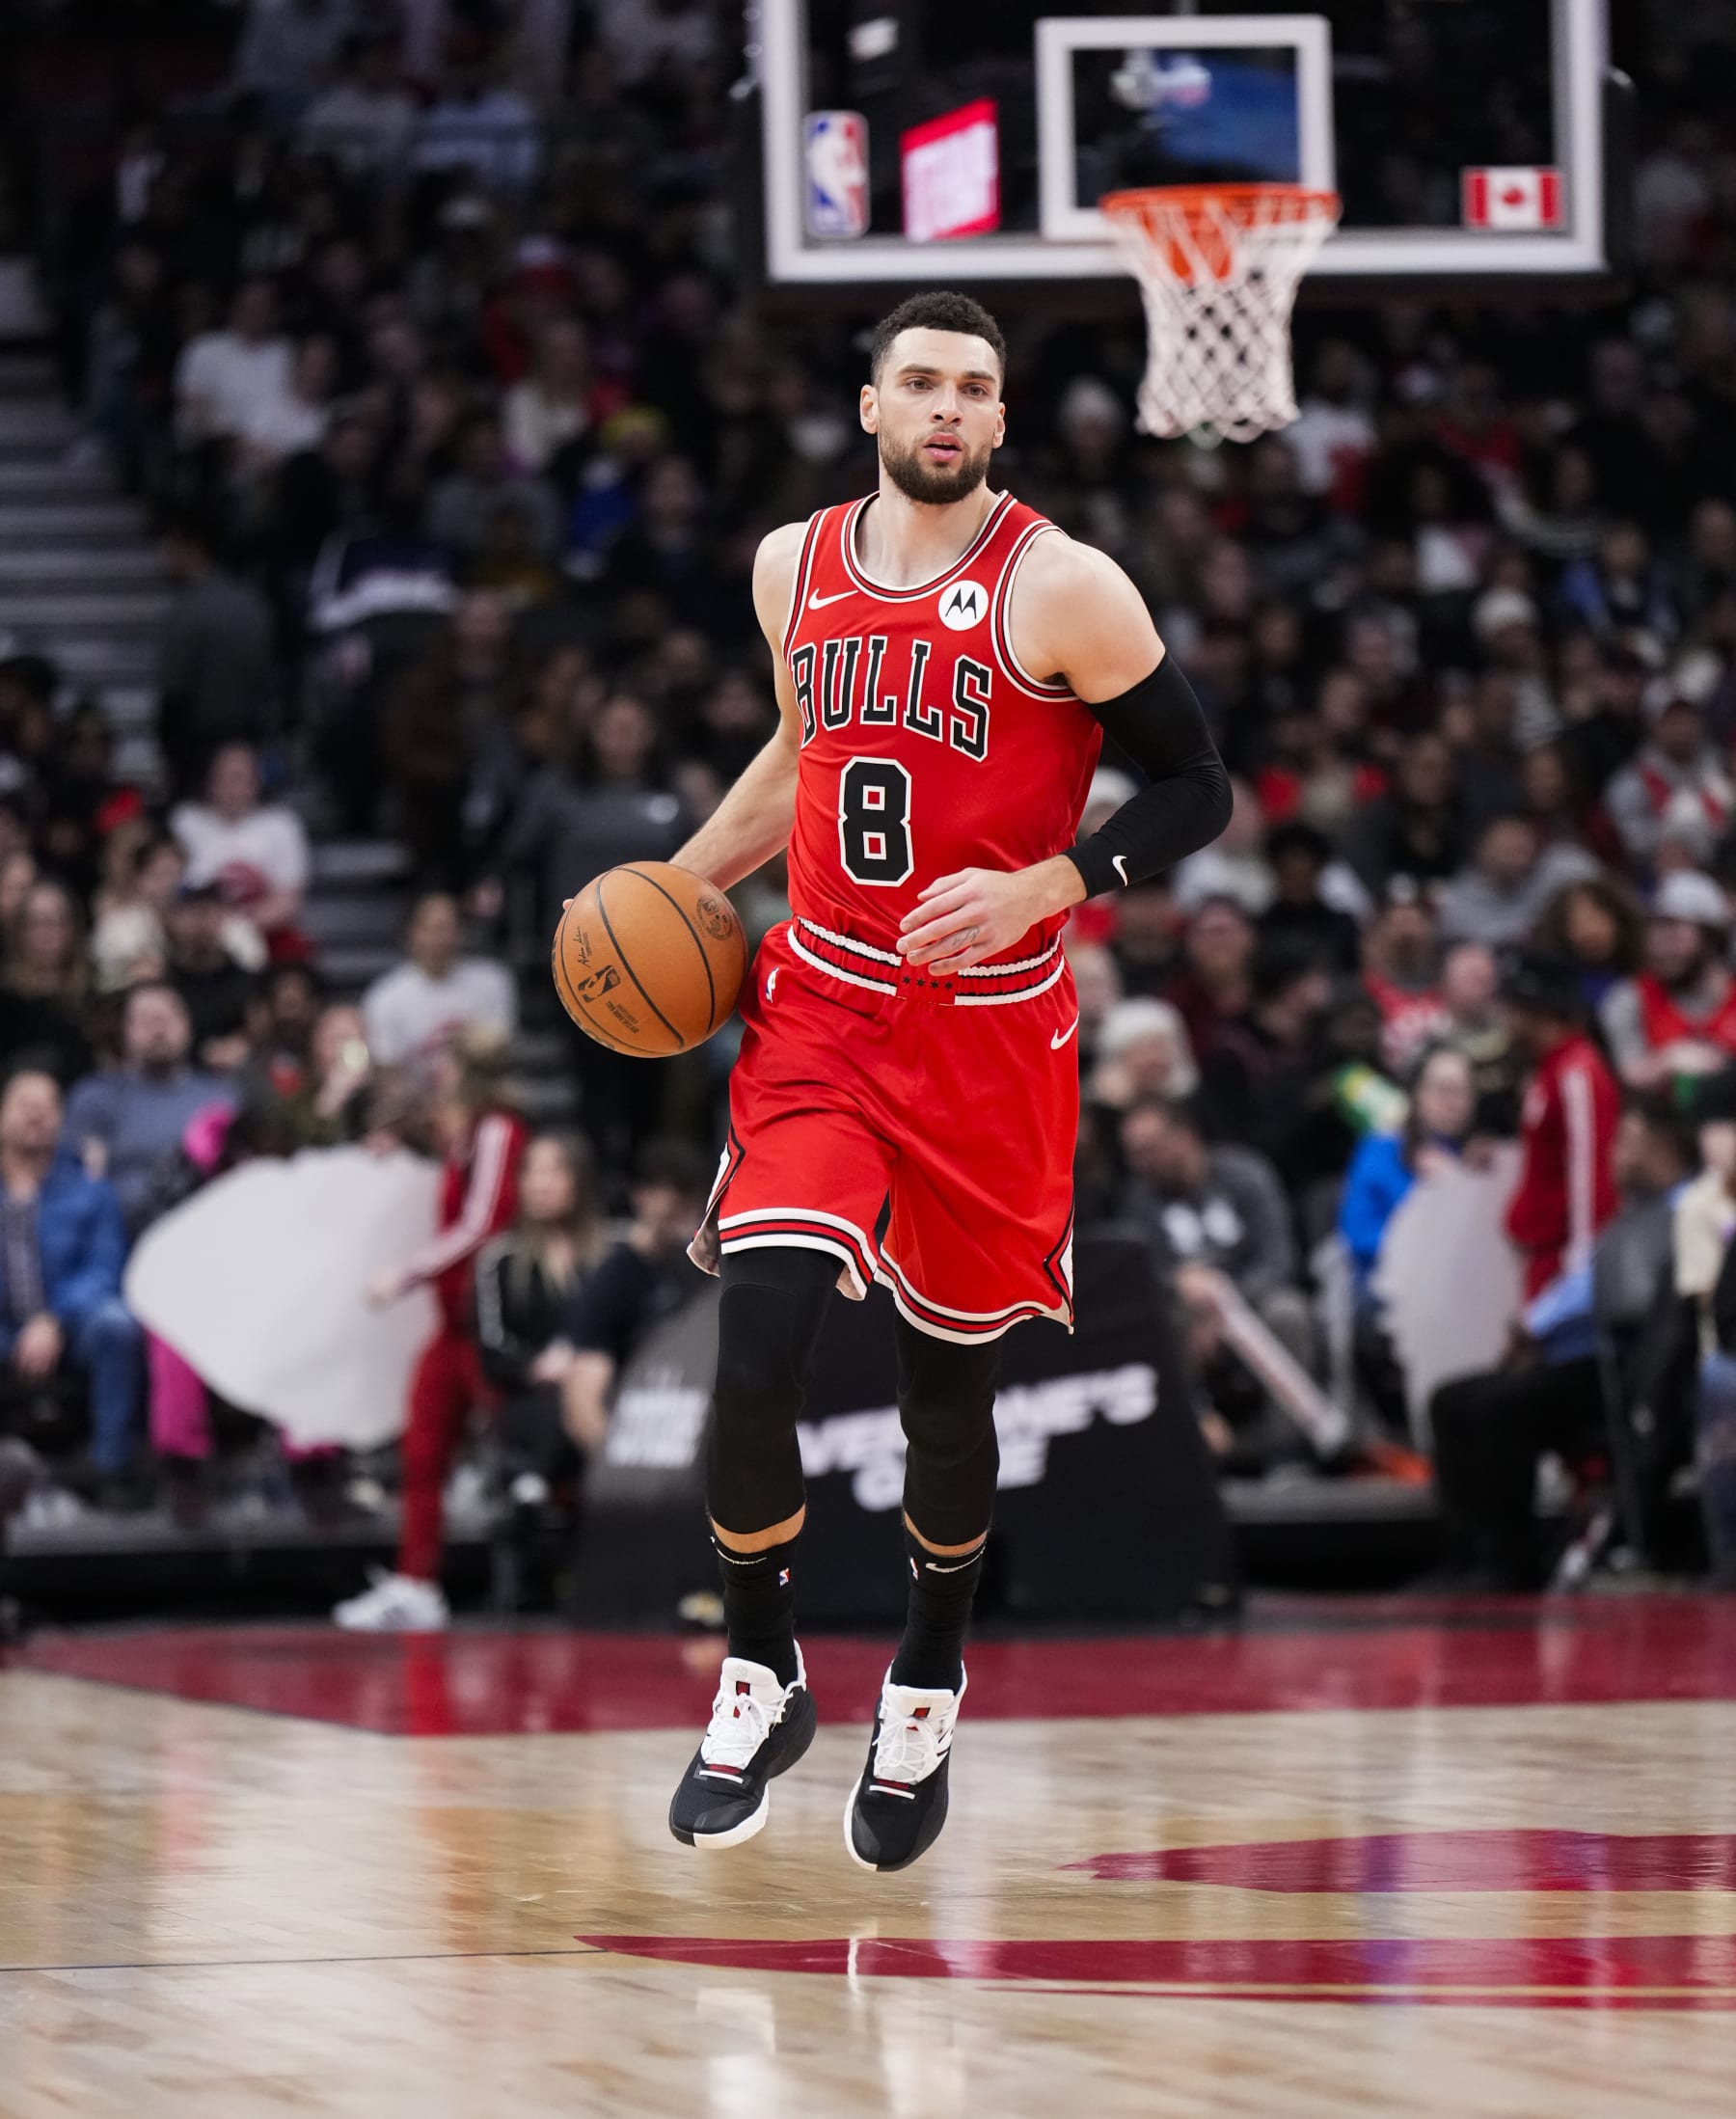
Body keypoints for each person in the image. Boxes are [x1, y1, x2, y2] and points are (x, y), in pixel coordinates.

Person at [662, 291, 1230, 1867]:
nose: (946, 408)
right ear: (868, 406)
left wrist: (1062, 880)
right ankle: (760, 1664)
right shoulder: (794, 566)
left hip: (992, 1029)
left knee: (945, 1396)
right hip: (826, 1011)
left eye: (974, 389)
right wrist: (679, 884)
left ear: (998, 420)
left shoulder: (1067, 587)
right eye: (919, 382)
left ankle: (921, 1682)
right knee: (759, 1329)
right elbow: (797, 762)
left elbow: (1198, 782)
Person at [1431, 1094, 1694, 1589]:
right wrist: (1533, 1326)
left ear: (1662, 1150)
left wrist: (1535, 1325)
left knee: (1500, 1407)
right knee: (1451, 1400)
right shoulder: (1630, 1217)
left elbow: (1628, 1298)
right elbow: (1584, 1282)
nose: (1614, 1154)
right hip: (1580, 1355)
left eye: (1626, 1143)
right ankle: (1464, 1555)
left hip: (1630, 1365)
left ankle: (1507, 1563)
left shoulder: (1686, 1211)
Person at [333, 1028, 529, 1632]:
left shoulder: (498, 1130)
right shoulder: (463, 1135)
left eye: (446, 1068)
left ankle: (536, 1580)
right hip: (451, 1325)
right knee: (422, 1448)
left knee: (515, 1453)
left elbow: (480, 1226)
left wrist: (406, 1274)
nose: (437, 1078)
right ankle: (416, 1583)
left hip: (485, 1322)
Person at [0, 1069, 143, 1505]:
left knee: (118, 1325)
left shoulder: (90, 1188)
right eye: (26, 1105)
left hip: (71, 1324)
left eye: (47, 1108)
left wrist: (54, 1319)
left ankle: (110, 1470)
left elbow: (104, 1267)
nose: (36, 1116)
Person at [475, 1133, 609, 1506]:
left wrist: (586, 1362)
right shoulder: (500, 1260)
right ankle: (534, 1485)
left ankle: (539, 1480)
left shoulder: (612, 1251)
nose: (540, 1184)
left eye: (553, 1172)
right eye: (531, 1173)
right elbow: (491, 1349)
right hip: (533, 1394)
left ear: (579, 1180)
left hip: (605, 1383)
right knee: (556, 1402)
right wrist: (539, 1366)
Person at [561, 1139, 713, 1456]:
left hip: (703, 1422)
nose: (675, 1212)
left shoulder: (710, 1277)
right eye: (665, 1200)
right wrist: (617, 1467)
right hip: (638, 1428)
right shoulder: (613, 1279)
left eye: (685, 1201)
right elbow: (583, 1404)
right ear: (640, 1197)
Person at [63, 983, 235, 1238]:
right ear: (125, 1031)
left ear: (187, 1026)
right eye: (145, 1020)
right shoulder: (96, 1098)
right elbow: (79, 1191)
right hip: (127, 1240)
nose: (158, 1029)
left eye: (166, 1018)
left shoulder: (221, 1098)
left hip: (211, 1236)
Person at [1500, 952, 1621, 1305]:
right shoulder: (1547, 1070)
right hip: (1540, 1257)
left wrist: (1578, 1279)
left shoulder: (1577, 1074)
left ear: (1537, 1012)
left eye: (1512, 1007)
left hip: (1562, 1264)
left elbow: (1591, 1178)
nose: (1504, 1018)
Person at [1339, 1044, 1478, 1303]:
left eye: (1464, 1092)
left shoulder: (1482, 1157)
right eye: (1443, 1091)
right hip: (1390, 1283)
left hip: (1465, 1286)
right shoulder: (1380, 1149)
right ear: (1417, 1094)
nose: (1454, 1103)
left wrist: (1459, 1180)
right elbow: (1359, 1235)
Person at [171, 744, 312, 956]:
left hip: (264, 932)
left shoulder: (281, 824)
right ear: (210, 782)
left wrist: (237, 926)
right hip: (193, 931)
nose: (232, 788)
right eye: (224, 778)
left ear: (257, 782)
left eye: (239, 778)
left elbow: (289, 898)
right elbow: (167, 888)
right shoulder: (186, 821)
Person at [1599, 870, 1736, 1087]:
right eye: (1654, 930)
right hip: (1660, 1117)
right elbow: (1626, 1078)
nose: (1659, 947)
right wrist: (1667, 1061)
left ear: (1711, 937)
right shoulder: (1628, 998)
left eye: (1672, 931)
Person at [361, 892, 517, 1069]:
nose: (441, 938)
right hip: (415, 1093)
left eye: (449, 928)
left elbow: (500, 1051)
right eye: (434, 928)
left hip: (479, 1089)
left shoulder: (493, 981)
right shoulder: (384, 996)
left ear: (462, 932)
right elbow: (387, 1067)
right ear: (412, 932)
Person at [0, 880, 94, 1087]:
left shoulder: (93, 994)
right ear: (19, 931)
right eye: (36, 923)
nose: (47, 933)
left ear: (74, 928)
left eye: (57, 921)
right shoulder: (5, 998)